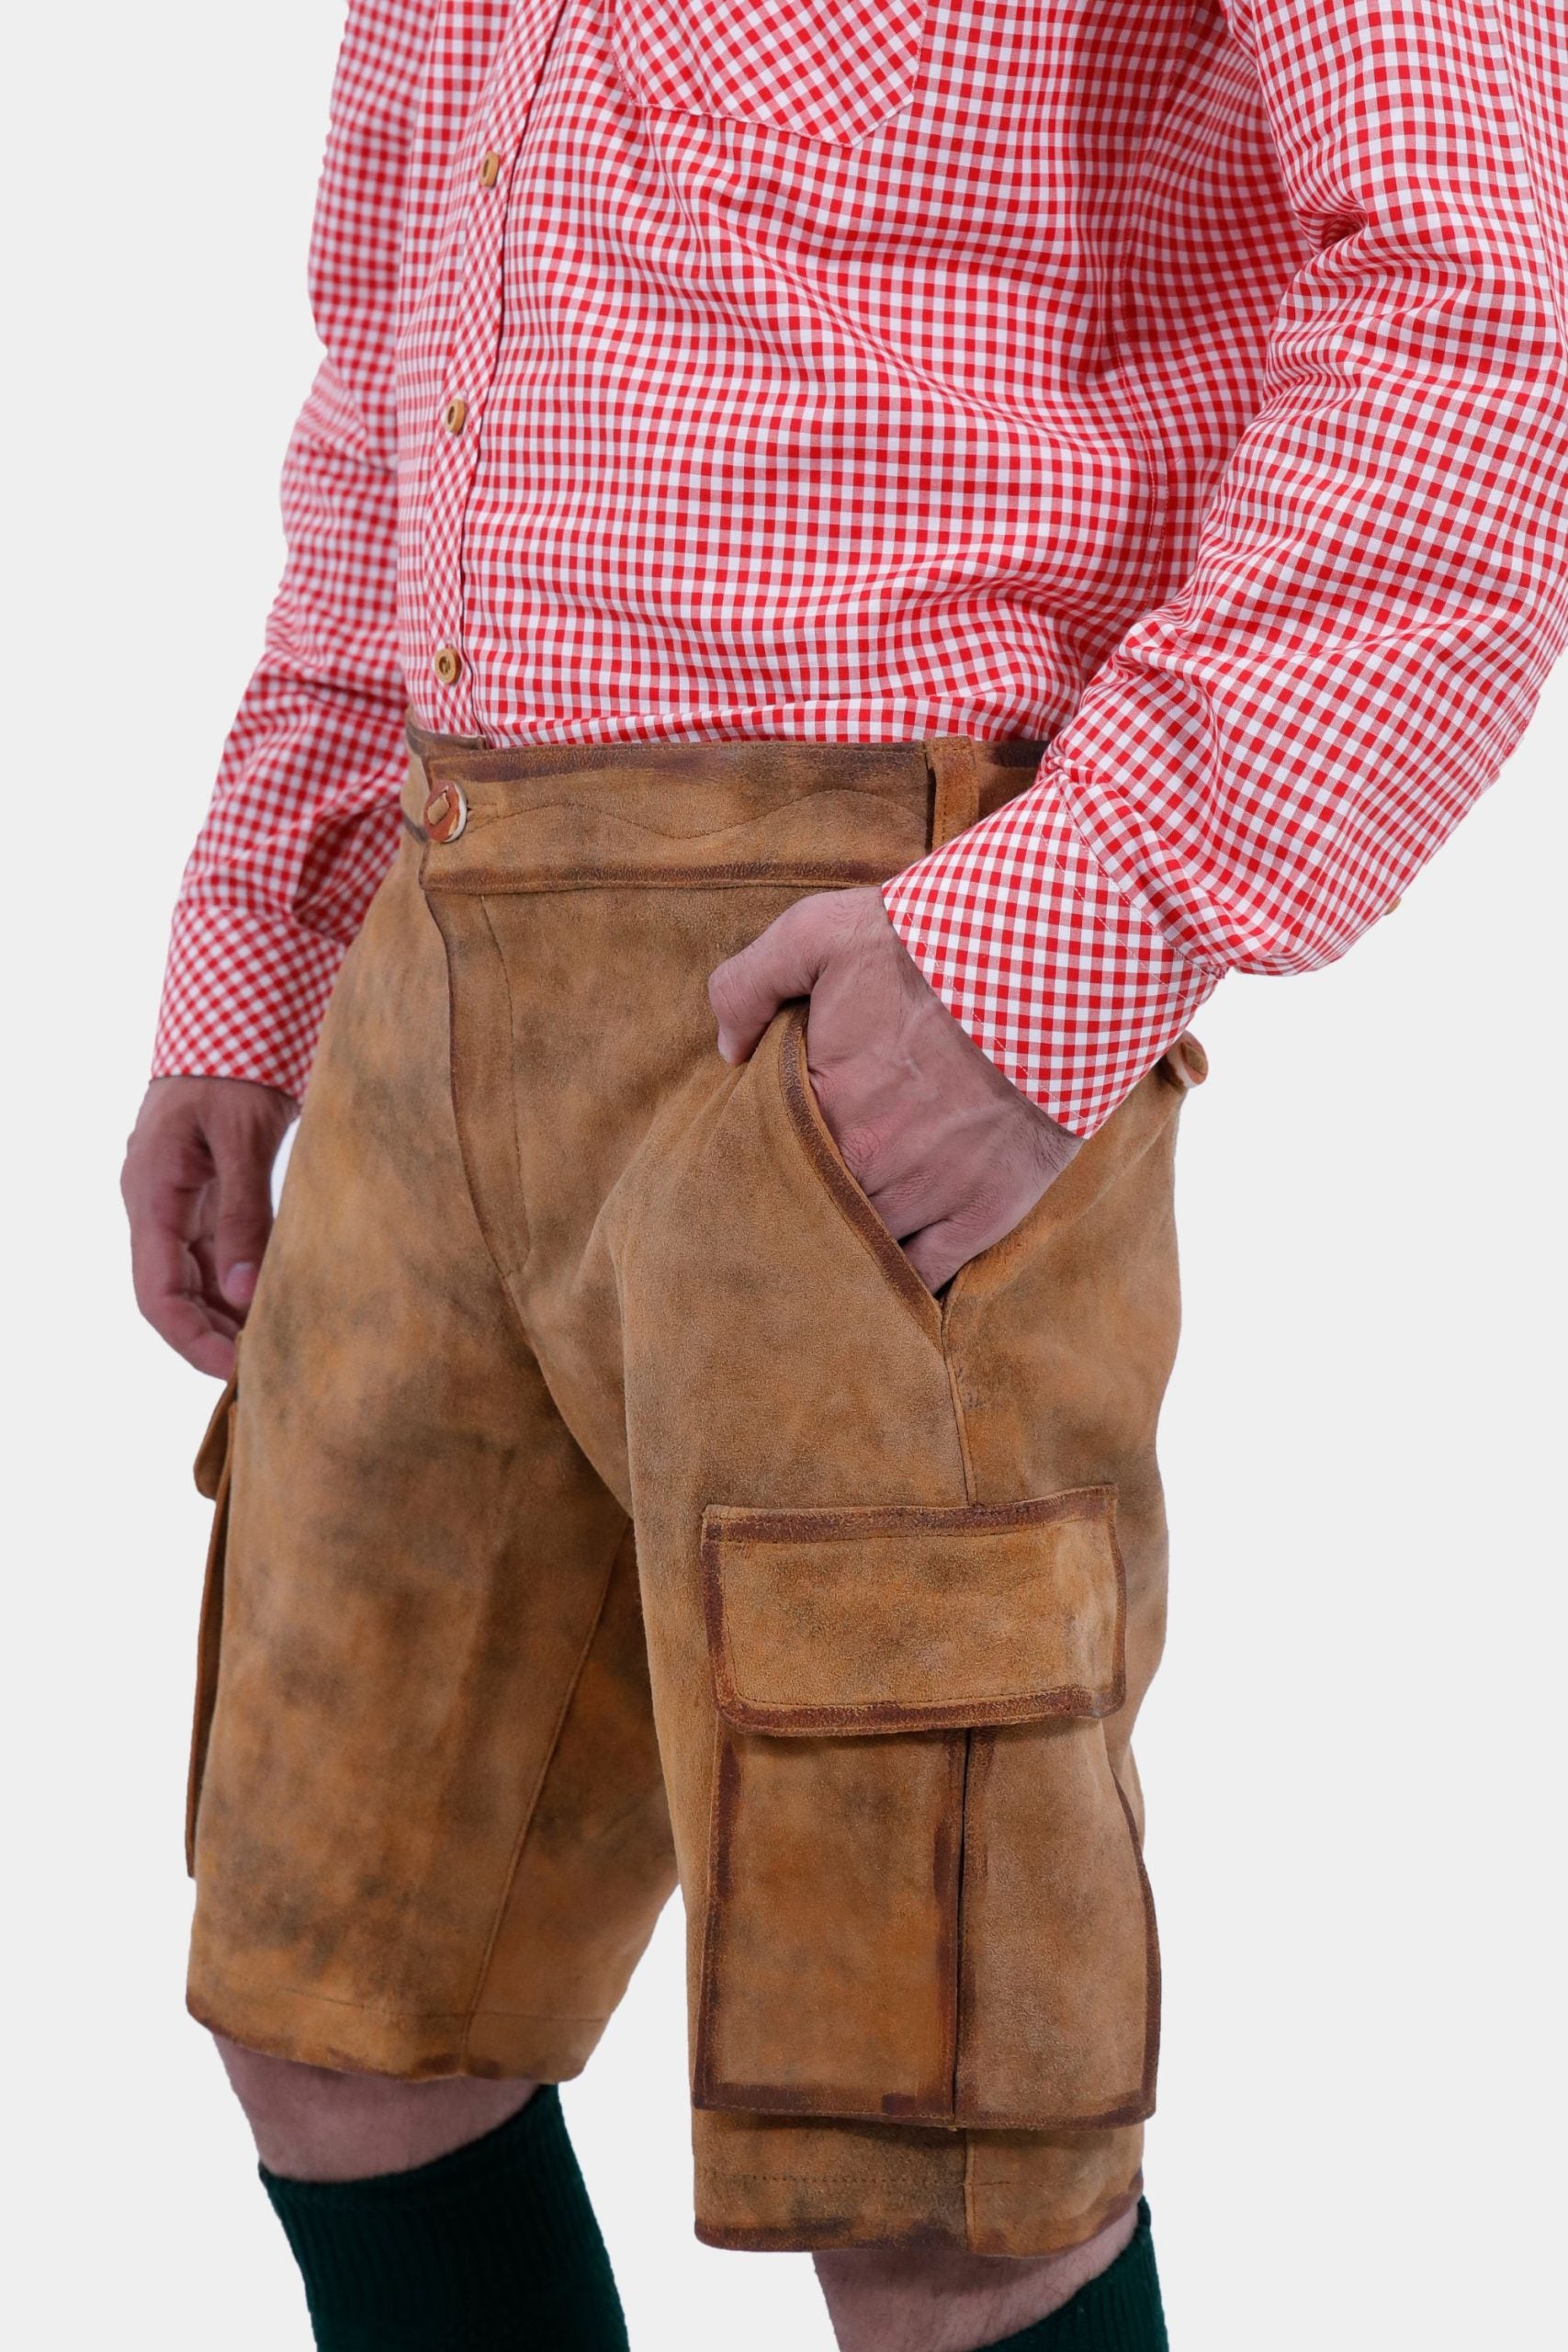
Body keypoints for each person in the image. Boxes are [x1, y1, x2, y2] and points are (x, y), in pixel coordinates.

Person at [119, 1, 1568, 2345]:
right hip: (435, 943)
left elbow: (1484, 311)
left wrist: (1063, 931)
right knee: (331, 1984)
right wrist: (261, 951)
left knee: (923, 2137)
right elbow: (389, 350)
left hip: (863, 989)